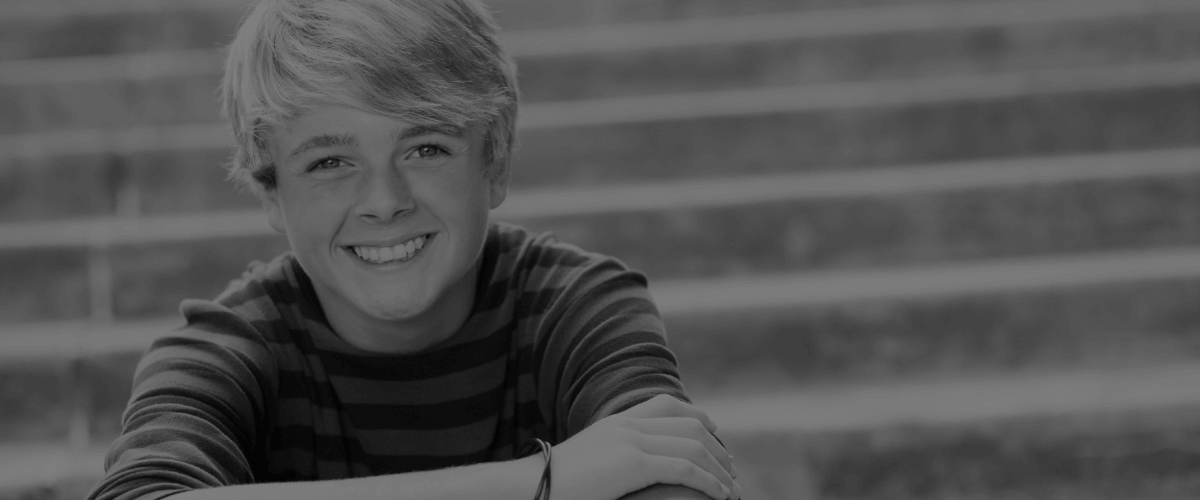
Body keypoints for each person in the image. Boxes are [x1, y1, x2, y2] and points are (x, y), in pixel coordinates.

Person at [86, 1, 741, 499]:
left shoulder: (577, 304)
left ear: (496, 159)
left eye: (425, 148)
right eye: (330, 160)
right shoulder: (222, 351)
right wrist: (547, 480)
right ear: (270, 191)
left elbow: (670, 476)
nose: (383, 200)